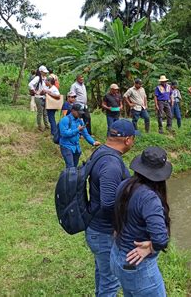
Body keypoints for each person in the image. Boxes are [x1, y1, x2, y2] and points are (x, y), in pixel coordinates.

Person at [85, 119, 137, 297]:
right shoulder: (111, 165)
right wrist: (118, 227)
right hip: (104, 233)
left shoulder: (101, 152)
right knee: (111, 282)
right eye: (134, 139)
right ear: (128, 140)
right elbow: (108, 203)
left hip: (96, 228)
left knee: (103, 274)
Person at [111, 146, 172, 297]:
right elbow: (160, 239)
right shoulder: (150, 199)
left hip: (119, 258)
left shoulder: (125, 185)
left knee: (130, 292)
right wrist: (151, 247)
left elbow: (115, 213)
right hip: (137, 266)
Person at [59, 104, 100, 168]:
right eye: (78, 112)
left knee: (74, 166)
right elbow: (64, 133)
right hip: (66, 146)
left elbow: (86, 134)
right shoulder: (65, 120)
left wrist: (93, 142)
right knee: (70, 166)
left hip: (76, 147)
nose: (80, 114)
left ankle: (72, 176)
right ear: (73, 111)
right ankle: (68, 177)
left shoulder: (80, 121)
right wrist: (77, 130)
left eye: (81, 113)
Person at [28, 65, 50, 132]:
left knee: (45, 113)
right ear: (41, 72)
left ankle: (47, 126)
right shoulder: (37, 78)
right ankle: (39, 126)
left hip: (44, 97)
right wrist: (34, 91)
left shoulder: (45, 78)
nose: (46, 73)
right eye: (44, 72)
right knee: (40, 112)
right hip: (39, 97)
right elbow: (30, 84)